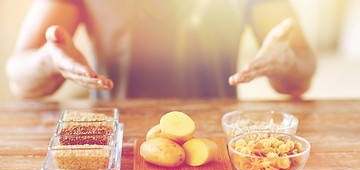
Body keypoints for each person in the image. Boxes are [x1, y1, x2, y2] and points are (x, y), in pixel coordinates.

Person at [6, 0, 316, 99]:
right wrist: (48, 60)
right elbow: (19, 79)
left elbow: (302, 73)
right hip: (115, 149)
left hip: (217, 151)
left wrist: (286, 61)